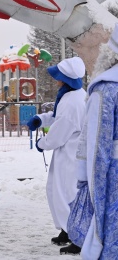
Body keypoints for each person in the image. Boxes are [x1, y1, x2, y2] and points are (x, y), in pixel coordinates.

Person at [68, 23, 118, 260]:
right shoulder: (107, 88)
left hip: (112, 181)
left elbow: (96, 146)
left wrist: (84, 179)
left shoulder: (106, 90)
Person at [27, 57, 86, 255]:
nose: (56, 80)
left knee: (66, 194)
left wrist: (42, 144)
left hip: (70, 155)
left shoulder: (72, 102)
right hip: (67, 153)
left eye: (58, 77)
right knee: (58, 191)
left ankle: (76, 236)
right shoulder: (72, 95)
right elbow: (56, 116)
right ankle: (66, 230)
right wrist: (40, 118)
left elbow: (60, 131)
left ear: (66, 79)